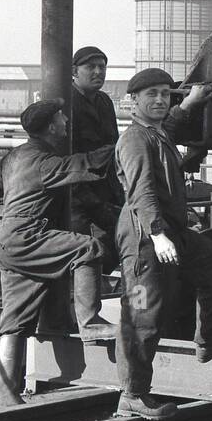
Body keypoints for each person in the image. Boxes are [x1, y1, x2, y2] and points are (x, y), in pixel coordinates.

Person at [115, 68, 212, 420]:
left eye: (164, 93)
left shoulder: (156, 133)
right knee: (144, 315)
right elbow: (141, 191)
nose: (160, 100)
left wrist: (189, 103)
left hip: (173, 233)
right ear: (134, 101)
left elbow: (170, 128)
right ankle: (132, 395)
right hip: (145, 238)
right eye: (151, 95)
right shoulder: (134, 141)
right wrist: (158, 234)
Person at [0, 99, 114, 408]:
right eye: (61, 118)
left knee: (13, 320)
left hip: (7, 240)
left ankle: (3, 394)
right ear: (51, 127)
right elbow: (86, 164)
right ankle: (92, 323)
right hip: (29, 236)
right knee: (89, 247)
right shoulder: (44, 162)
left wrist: (20, 203)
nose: (67, 121)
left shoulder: (13, 157)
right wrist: (123, 145)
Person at [69, 45, 123, 342]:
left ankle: (90, 310)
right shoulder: (69, 104)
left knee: (114, 244)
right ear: (74, 72)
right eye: (91, 67)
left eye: (103, 66)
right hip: (75, 194)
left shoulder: (103, 102)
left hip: (102, 190)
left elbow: (112, 149)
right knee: (84, 251)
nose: (99, 72)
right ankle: (86, 320)